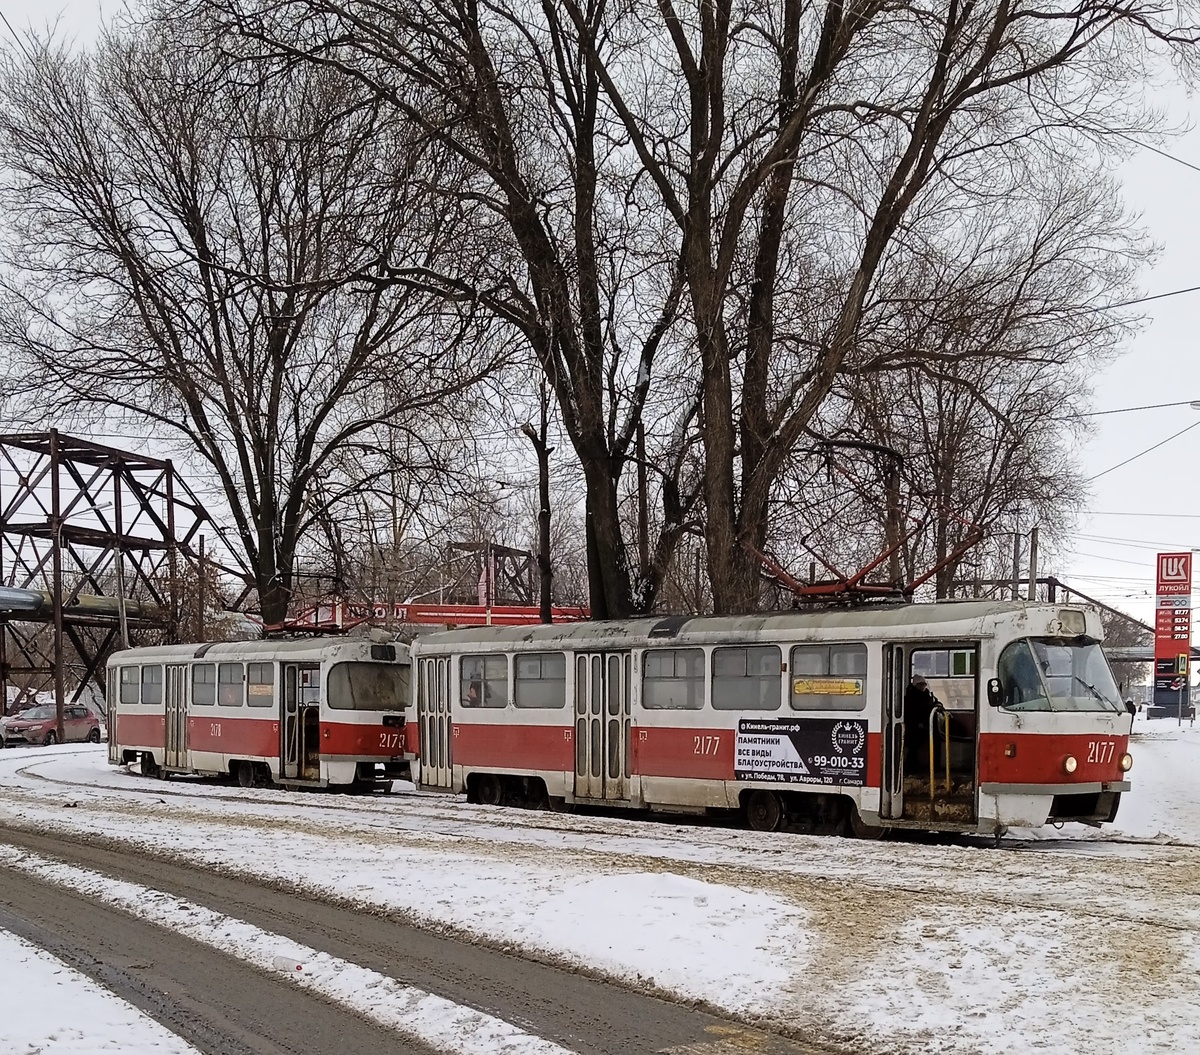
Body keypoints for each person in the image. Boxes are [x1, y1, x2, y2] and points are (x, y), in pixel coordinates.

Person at [904, 674, 941, 774]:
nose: (922, 686)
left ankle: (934, 765)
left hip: (926, 724)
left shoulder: (927, 695)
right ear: (915, 685)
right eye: (920, 684)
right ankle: (911, 765)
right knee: (914, 744)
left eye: (923, 684)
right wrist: (919, 723)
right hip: (915, 726)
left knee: (935, 739)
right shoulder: (911, 696)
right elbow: (911, 713)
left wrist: (937, 705)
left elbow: (931, 705)